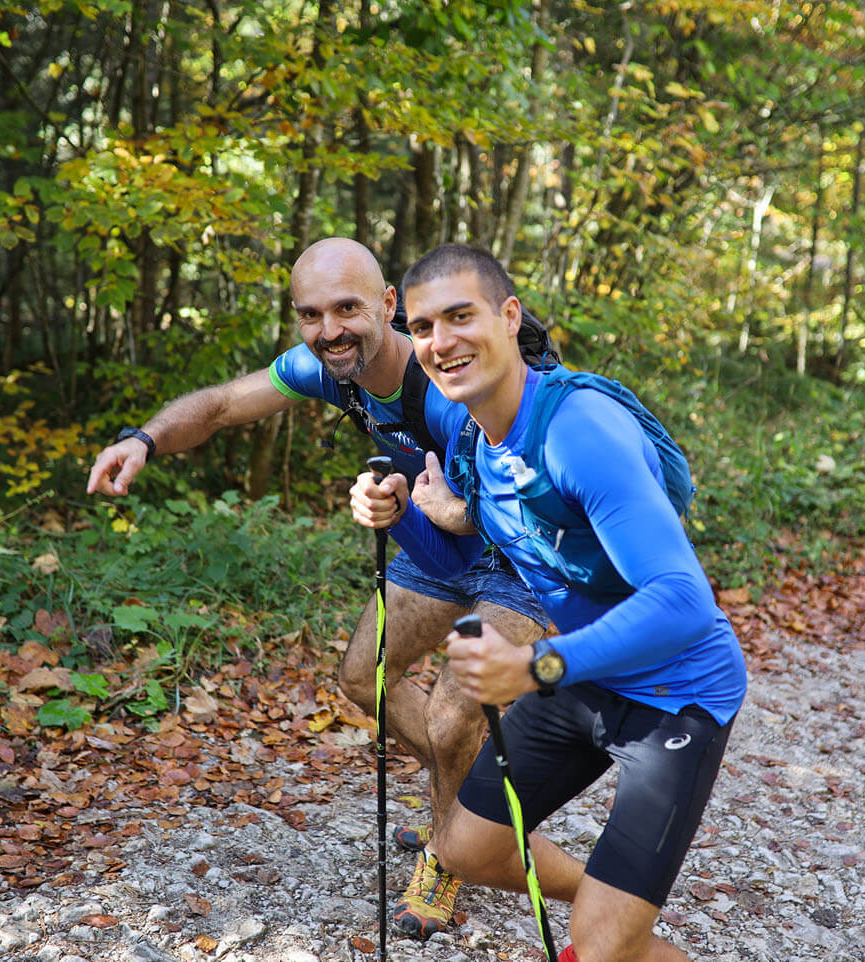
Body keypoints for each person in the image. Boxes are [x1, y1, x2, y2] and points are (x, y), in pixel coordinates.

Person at [86, 237, 548, 939]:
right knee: (364, 677)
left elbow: (530, 494)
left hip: (518, 553)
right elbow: (220, 405)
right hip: (438, 540)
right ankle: (469, 804)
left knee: (455, 712)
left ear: (388, 305)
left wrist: (443, 506)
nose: (329, 329)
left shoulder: (449, 380)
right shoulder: (331, 370)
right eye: (310, 314)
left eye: (346, 309)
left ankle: (451, 853)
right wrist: (142, 440)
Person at [348, 244, 747, 962]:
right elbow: (459, 565)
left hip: (675, 694)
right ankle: (612, 909)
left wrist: (537, 665)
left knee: (599, 948)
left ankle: (610, 928)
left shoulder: (578, 431)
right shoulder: (477, 441)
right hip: (585, 677)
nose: (440, 341)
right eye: (424, 326)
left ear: (508, 317)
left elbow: (685, 601)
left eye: (460, 316)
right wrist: (401, 515)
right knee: (464, 849)